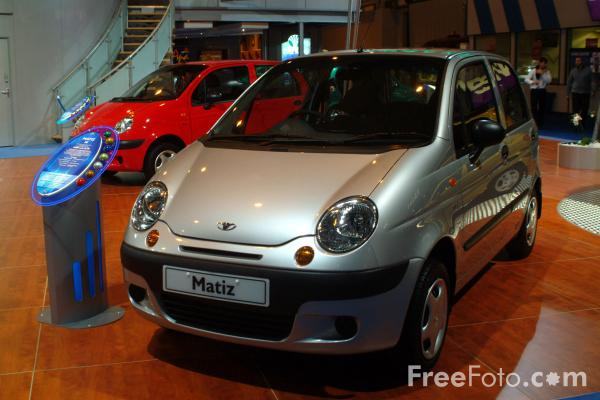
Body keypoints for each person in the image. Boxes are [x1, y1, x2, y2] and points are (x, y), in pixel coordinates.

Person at [525, 57, 552, 127]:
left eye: (545, 63)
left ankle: (540, 123)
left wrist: (543, 74)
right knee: (533, 107)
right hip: (534, 90)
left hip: (542, 90)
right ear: (539, 63)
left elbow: (549, 81)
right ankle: (534, 122)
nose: (543, 65)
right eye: (542, 63)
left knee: (542, 107)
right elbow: (526, 79)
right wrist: (533, 82)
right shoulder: (533, 70)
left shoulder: (547, 72)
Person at [567, 56, 593, 126]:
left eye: (578, 61)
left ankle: (582, 124)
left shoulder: (588, 70)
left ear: (582, 62)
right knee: (575, 109)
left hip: (585, 93)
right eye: (576, 61)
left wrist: (593, 90)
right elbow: (569, 82)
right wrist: (567, 93)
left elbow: (592, 81)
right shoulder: (573, 70)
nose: (577, 62)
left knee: (584, 109)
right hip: (575, 92)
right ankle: (576, 124)